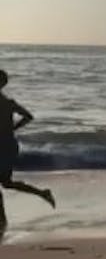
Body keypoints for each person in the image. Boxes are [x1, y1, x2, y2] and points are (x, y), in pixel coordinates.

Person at [0, 69, 55, 229]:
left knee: (5, 183)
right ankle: (42, 193)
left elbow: (29, 116)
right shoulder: (9, 103)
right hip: (8, 144)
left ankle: (2, 221)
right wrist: (13, 128)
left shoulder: (8, 103)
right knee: (6, 183)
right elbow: (28, 117)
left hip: (5, 146)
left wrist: (12, 129)